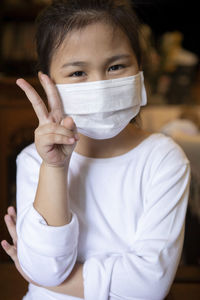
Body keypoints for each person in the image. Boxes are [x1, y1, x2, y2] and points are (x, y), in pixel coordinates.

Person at [1, 1, 190, 299]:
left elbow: (149, 286)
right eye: (78, 73)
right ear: (49, 82)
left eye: (116, 67)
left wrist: (52, 282)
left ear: (139, 71)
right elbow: (46, 269)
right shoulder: (33, 160)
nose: (100, 85)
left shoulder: (164, 159)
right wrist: (54, 169)